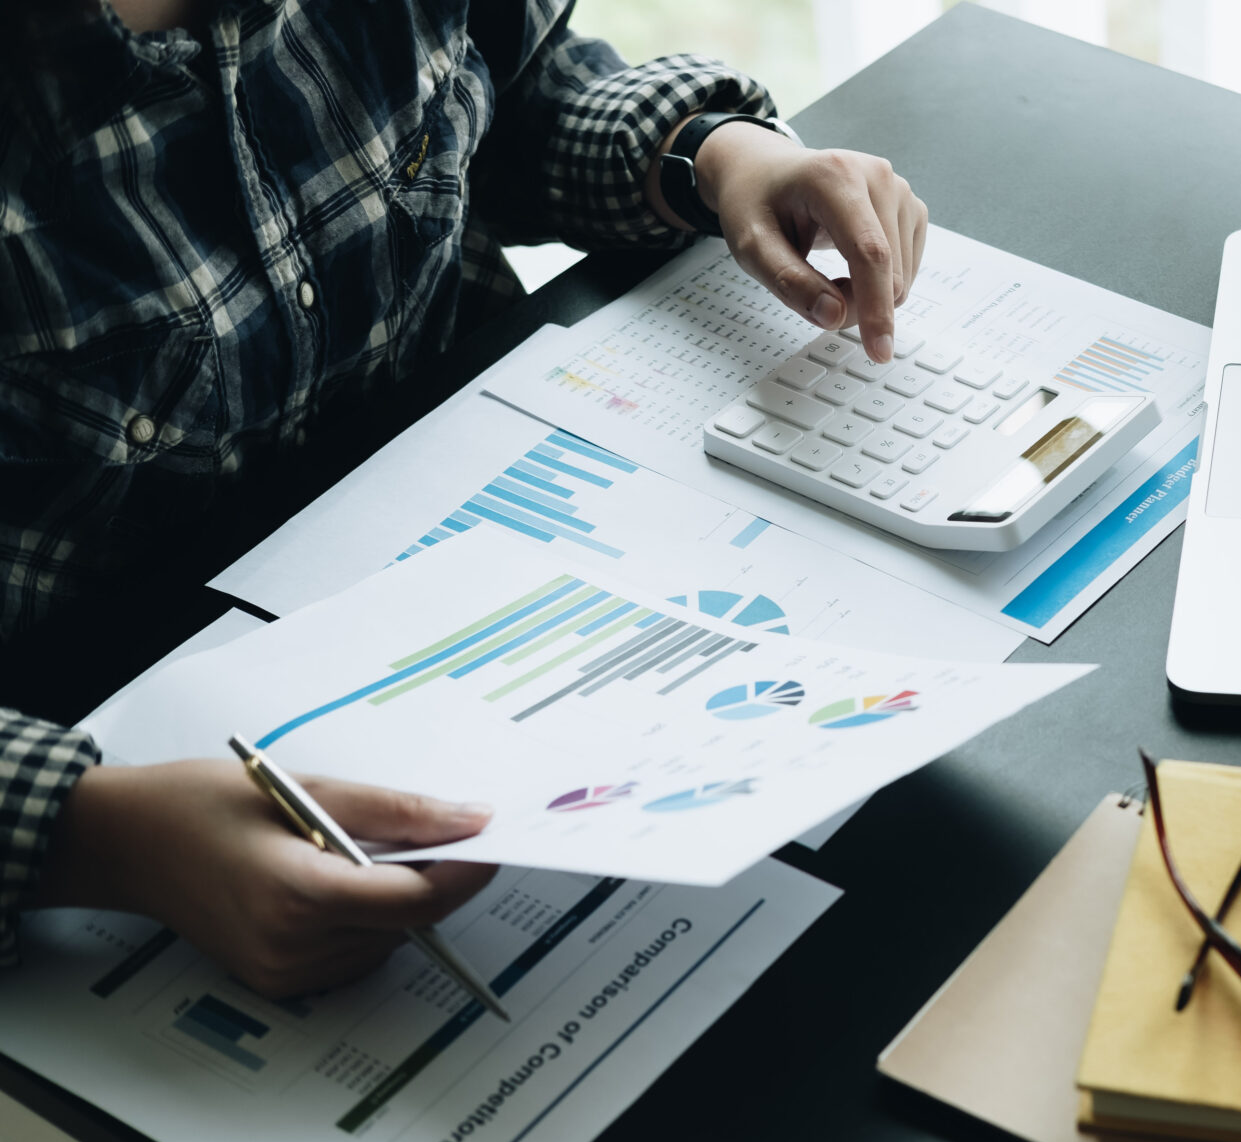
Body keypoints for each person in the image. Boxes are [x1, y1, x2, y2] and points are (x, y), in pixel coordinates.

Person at [0, 0, 927, 997]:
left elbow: (511, 87)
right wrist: (92, 838)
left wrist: (706, 152)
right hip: (113, 769)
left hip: (504, 601)